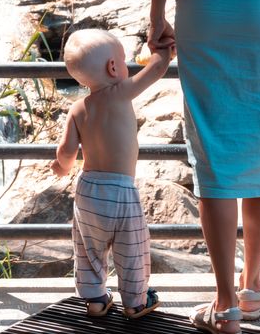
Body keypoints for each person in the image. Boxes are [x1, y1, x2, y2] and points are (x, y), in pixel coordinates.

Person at [149, 0, 260, 333]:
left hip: (204, 7)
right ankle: (251, 289)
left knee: (213, 153)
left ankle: (225, 305)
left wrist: (156, 16)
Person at [51, 29, 173, 318]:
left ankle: (95, 299)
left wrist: (61, 167)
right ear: (114, 67)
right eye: (124, 60)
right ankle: (135, 302)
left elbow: (67, 151)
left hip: (88, 189)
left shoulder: (78, 108)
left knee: (89, 248)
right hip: (120, 190)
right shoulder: (121, 93)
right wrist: (165, 49)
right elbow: (156, 69)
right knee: (132, 249)